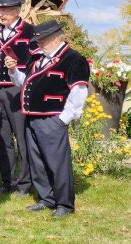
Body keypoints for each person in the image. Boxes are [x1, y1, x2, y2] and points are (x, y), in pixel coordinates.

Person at [6, 20, 89, 218]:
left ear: (53, 38)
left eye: (41, 40)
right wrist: (12, 70)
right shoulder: (38, 58)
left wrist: (63, 119)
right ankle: (46, 197)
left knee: (57, 163)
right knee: (37, 161)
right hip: (33, 118)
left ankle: (64, 204)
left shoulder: (73, 59)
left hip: (52, 118)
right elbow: (23, 83)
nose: (38, 44)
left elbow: (78, 92)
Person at [0, 0, 39, 198]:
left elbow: (37, 63)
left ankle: (25, 182)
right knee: (2, 138)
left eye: (5, 11)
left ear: (17, 11)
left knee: (22, 137)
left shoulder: (30, 32)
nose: (1, 14)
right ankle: (8, 180)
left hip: (18, 90)